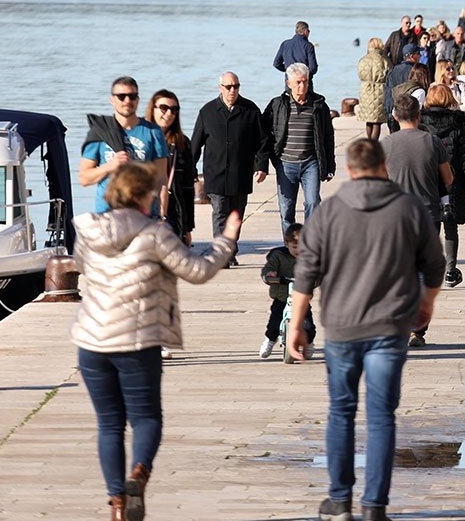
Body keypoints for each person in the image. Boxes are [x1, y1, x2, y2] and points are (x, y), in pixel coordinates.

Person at [286, 139, 444, 521]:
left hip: (341, 328)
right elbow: (435, 264)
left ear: (350, 170)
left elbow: (306, 272)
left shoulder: (329, 212)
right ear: (384, 167)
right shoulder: (408, 208)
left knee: (341, 412)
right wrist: (426, 304)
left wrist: (295, 325)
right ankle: (374, 506)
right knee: (381, 416)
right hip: (390, 327)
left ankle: (339, 500)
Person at [73, 161, 239, 521]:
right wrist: (226, 239)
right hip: (137, 341)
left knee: (109, 424)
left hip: (92, 341)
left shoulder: (87, 230)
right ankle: (139, 473)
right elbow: (198, 270)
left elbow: (81, 266)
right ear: (145, 197)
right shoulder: (154, 233)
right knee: (146, 418)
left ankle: (117, 504)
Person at [381, 94, 454, 346]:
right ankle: (418, 329)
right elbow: (449, 179)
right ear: (419, 115)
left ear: (394, 116)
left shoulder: (386, 144)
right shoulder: (432, 141)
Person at [190, 72, 270, 248]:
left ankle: (230, 248)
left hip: (240, 174)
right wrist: (191, 169)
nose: (232, 90)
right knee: (220, 212)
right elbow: (195, 144)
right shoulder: (207, 111)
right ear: (220, 88)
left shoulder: (251, 110)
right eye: (228, 87)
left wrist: (262, 165)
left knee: (236, 216)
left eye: (236, 86)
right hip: (215, 174)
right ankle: (221, 252)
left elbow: (263, 141)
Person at [262, 62, 336, 235]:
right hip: (286, 164)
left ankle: (309, 241)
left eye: (305, 81)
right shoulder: (277, 104)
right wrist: (264, 162)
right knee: (286, 208)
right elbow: (264, 132)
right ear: (289, 83)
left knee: (312, 202)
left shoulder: (318, 105)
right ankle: (290, 247)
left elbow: (328, 137)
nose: (302, 86)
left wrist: (330, 166)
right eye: (298, 82)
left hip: (311, 163)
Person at [80, 76, 169, 215]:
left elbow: (161, 178)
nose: (127, 101)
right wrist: (110, 166)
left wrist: (162, 214)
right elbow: (84, 178)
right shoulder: (101, 131)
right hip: (108, 213)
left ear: (138, 100)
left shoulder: (153, 132)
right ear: (112, 100)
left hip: (144, 214)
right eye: (121, 96)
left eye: (132, 96)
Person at [421, 84, 465, 291]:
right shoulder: (458, 123)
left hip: (427, 181)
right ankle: (451, 271)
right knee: (451, 227)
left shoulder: (422, 122)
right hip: (453, 181)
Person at [258, 223, 316, 360]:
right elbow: (268, 269)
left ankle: (309, 343)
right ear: (287, 243)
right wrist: (270, 275)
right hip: (281, 297)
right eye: (294, 247)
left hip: (301, 299)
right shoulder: (278, 256)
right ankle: (269, 341)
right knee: (274, 324)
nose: (298, 251)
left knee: (308, 326)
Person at [145, 90, 194, 245]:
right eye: (164, 108)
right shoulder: (141, 138)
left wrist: (187, 229)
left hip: (174, 212)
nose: (169, 113)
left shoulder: (182, 142)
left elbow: (187, 188)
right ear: (153, 109)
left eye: (174, 109)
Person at [356, 38, 391, 140]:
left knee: (369, 119)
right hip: (380, 89)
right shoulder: (385, 60)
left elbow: (360, 73)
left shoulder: (363, 60)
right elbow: (389, 74)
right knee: (377, 121)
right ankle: (373, 142)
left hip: (366, 89)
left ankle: (369, 140)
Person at [383, 43, 421, 131]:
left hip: (395, 113)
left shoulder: (393, 70)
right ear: (412, 56)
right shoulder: (418, 71)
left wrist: (389, 112)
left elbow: (388, 93)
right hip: (411, 115)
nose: (420, 56)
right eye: (418, 53)